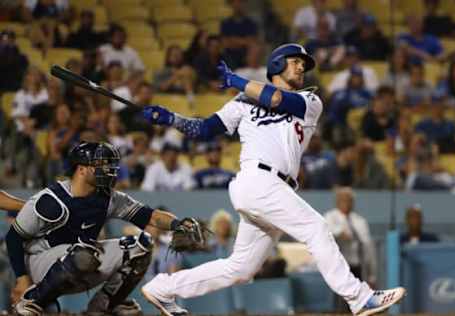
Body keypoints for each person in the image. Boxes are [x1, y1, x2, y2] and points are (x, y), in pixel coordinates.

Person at [141, 43, 405, 316]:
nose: (302, 66)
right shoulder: (242, 102)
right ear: (277, 64)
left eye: (304, 63)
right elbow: (205, 129)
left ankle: (163, 287)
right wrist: (171, 118)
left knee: (241, 269)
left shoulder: (310, 101)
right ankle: (359, 298)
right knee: (315, 227)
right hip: (257, 180)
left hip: (273, 187)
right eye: (295, 61)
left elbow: (276, 99)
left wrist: (236, 80)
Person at [6, 141, 197, 315]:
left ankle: (103, 306)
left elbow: (151, 217)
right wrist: (22, 280)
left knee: (142, 245)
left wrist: (177, 224)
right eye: (101, 165)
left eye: (109, 164)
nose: (109, 169)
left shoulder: (108, 198)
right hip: (41, 264)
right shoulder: (51, 200)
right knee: (83, 254)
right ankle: (33, 300)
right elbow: (13, 237)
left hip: (82, 262)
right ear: (81, 169)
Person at [324, 187, 377, 312]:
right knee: (339, 303)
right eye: (343, 200)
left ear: (353, 202)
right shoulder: (330, 216)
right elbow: (326, 231)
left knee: (357, 303)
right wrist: (339, 232)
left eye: (349, 200)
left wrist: (372, 275)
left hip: (357, 266)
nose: (346, 203)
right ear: (337, 201)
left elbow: (368, 247)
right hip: (338, 266)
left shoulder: (360, 221)